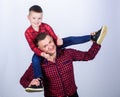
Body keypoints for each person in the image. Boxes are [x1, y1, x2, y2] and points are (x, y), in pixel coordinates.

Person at [24, 5, 95, 92]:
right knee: (34, 59)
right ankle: (39, 81)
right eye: (34, 18)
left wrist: (58, 40)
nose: (37, 21)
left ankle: (92, 37)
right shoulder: (28, 33)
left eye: (39, 18)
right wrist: (42, 54)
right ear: (28, 18)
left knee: (71, 39)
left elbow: (53, 36)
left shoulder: (46, 26)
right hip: (39, 52)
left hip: (57, 44)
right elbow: (33, 47)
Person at [20, 27, 107, 97]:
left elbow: (89, 56)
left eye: (50, 42)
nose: (50, 46)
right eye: (45, 46)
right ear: (39, 49)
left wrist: (97, 43)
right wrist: (30, 83)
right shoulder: (38, 65)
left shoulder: (67, 53)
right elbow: (23, 81)